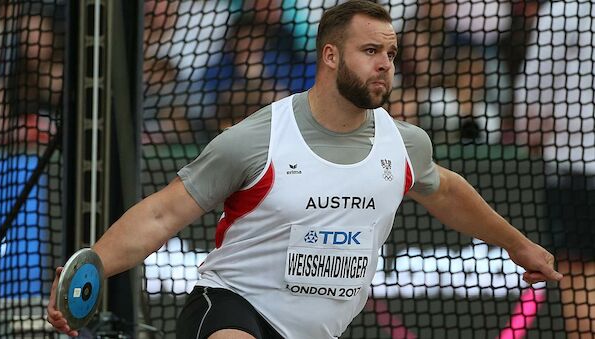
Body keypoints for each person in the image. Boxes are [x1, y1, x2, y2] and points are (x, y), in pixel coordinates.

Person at [47, 1, 562, 338]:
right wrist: (90, 267)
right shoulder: (258, 138)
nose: (385, 63)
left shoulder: (405, 145)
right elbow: (162, 214)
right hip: (234, 309)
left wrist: (516, 244)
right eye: (370, 51)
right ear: (331, 56)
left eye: (390, 52)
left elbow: (447, 191)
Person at [512, 1, 594, 337]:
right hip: (574, 167)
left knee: (579, 279)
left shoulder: (564, 9)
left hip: (574, 169)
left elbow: (534, 96)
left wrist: (530, 136)